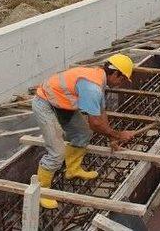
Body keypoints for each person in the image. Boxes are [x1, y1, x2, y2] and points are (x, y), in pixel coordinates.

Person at [32, 54, 137, 209]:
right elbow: (95, 124)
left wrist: (112, 139)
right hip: (46, 103)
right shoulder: (92, 88)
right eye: (122, 79)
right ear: (115, 73)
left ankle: (73, 170)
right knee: (57, 152)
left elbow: (101, 114)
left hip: (62, 104)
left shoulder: (99, 81)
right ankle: (42, 191)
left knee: (83, 133)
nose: (121, 83)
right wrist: (118, 134)